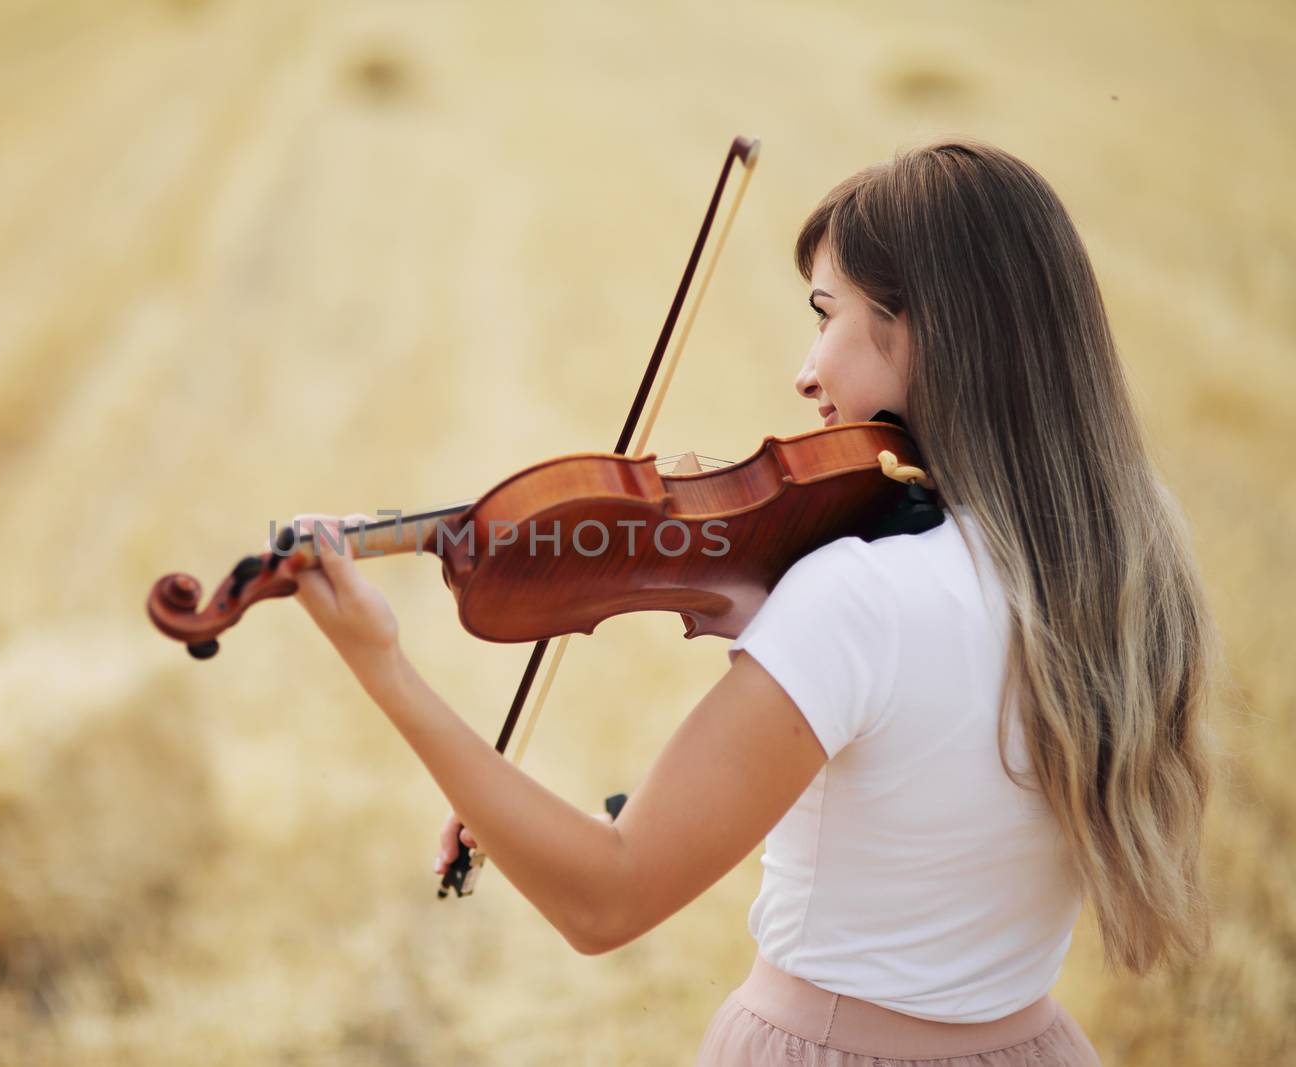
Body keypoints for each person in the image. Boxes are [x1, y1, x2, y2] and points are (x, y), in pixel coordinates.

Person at [288, 139, 1216, 1066]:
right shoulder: (1126, 565)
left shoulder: (858, 596)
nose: (806, 371)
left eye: (828, 315)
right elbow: (905, 814)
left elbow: (604, 901)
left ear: (927, 327)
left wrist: (384, 666)